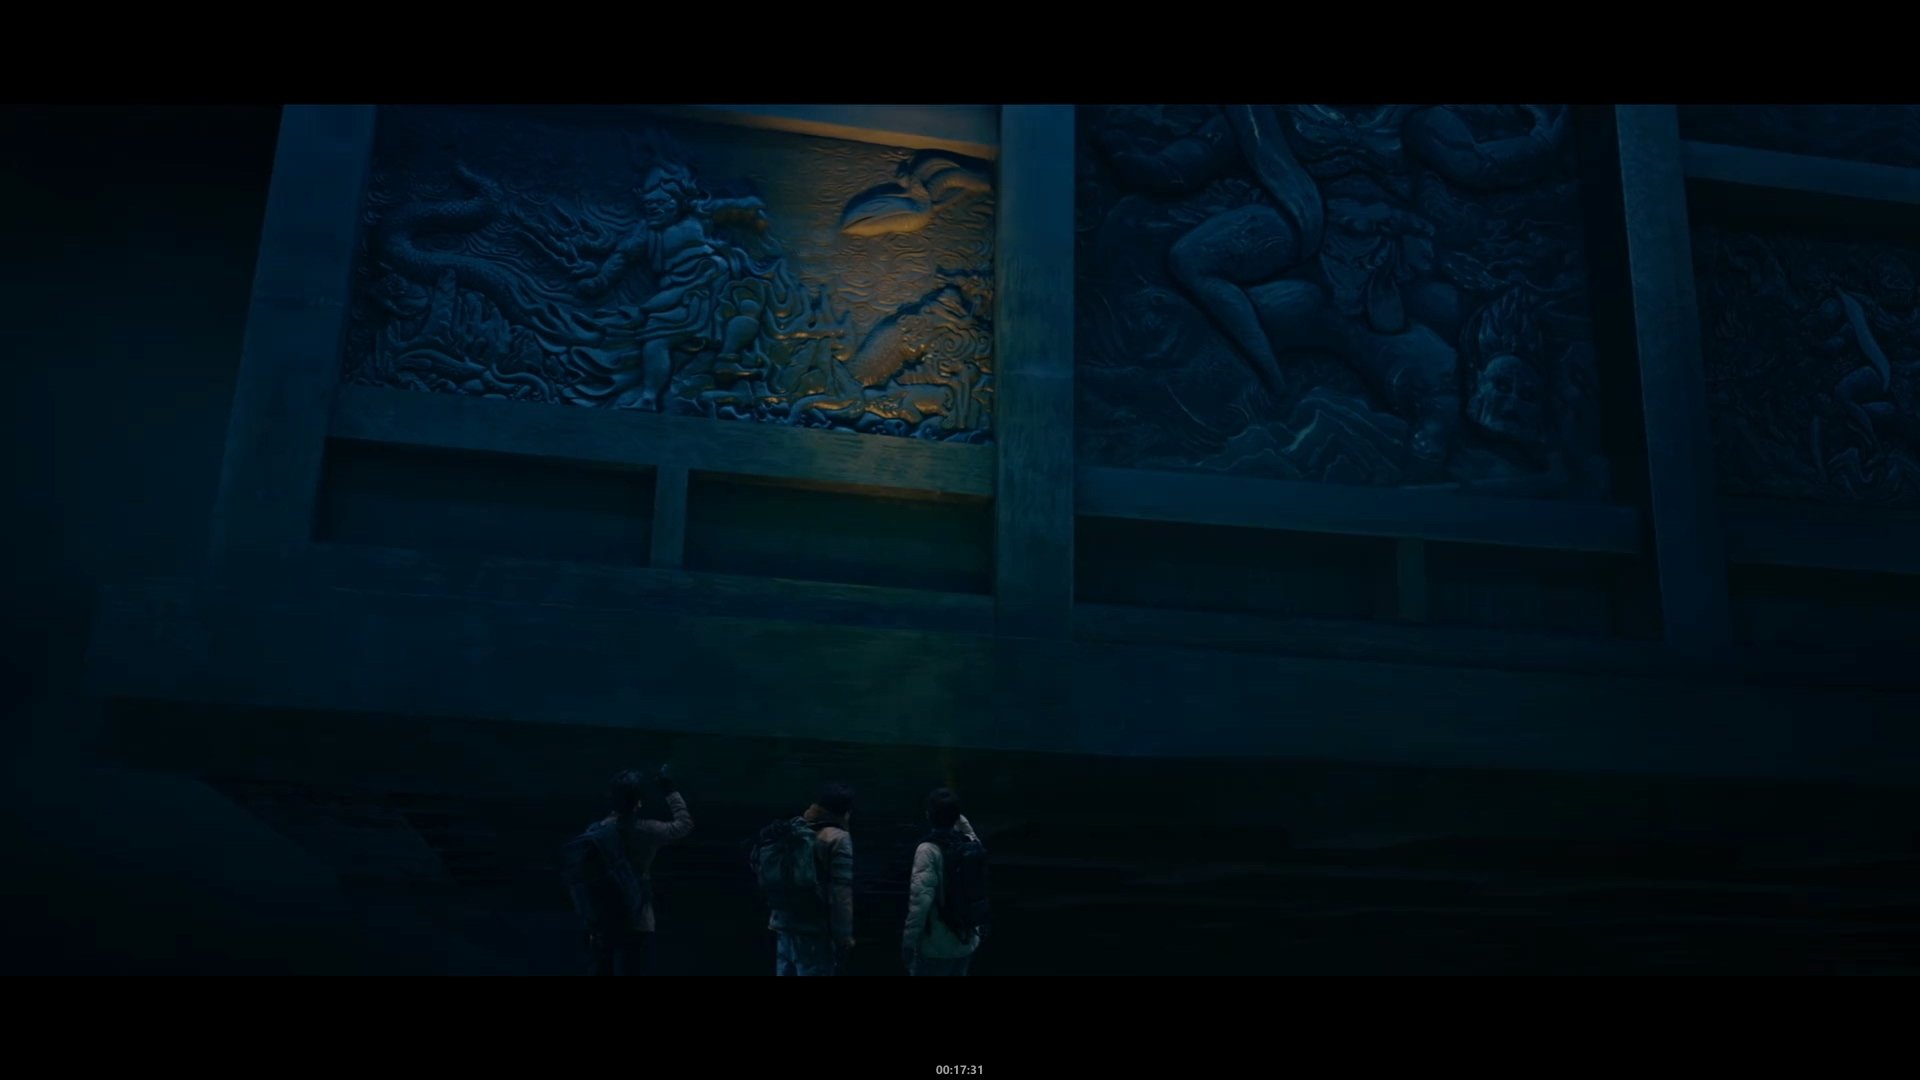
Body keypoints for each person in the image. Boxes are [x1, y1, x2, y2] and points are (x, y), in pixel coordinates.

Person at [562, 766, 693, 975]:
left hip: (601, 916)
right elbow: (684, 824)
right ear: (638, 802)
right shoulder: (647, 830)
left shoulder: (597, 832)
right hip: (637, 916)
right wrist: (670, 790)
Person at [751, 782, 856, 975]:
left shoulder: (794, 828)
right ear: (846, 810)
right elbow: (841, 894)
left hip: (784, 925)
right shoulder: (838, 839)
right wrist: (844, 936)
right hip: (815, 933)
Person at [902, 787, 988, 976]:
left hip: (936, 945)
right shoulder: (970, 843)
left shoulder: (928, 850)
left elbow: (919, 904)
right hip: (967, 939)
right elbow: (970, 832)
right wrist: (955, 815)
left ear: (928, 815)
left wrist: (908, 943)